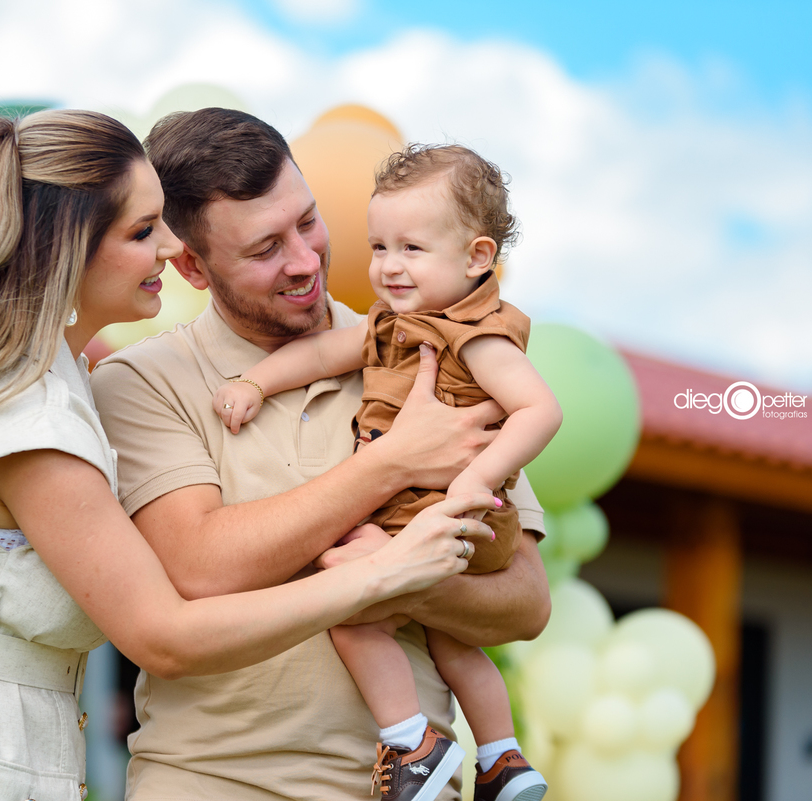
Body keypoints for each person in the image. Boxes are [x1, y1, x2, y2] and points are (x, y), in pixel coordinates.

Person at [0, 110, 493, 801]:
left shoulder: (59, 383)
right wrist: (384, 571)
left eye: (162, 220)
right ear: (64, 251)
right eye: (141, 231)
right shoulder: (34, 420)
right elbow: (165, 636)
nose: (169, 247)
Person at [90, 109, 553, 801]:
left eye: (307, 221)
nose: (305, 260)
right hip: (214, 783)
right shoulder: (142, 382)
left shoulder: (427, 348)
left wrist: (401, 575)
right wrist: (392, 463)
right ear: (191, 263)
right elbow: (199, 565)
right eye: (265, 247)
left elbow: (524, 601)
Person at [212, 143, 562, 801]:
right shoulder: (397, 323)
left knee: (349, 609)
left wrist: (473, 479)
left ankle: (412, 745)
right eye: (379, 247)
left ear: (477, 257)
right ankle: (503, 758)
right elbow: (321, 352)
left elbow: (540, 410)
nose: (389, 267)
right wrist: (257, 382)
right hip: (439, 517)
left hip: (445, 510)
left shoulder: (475, 333)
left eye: (412, 249)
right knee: (453, 641)